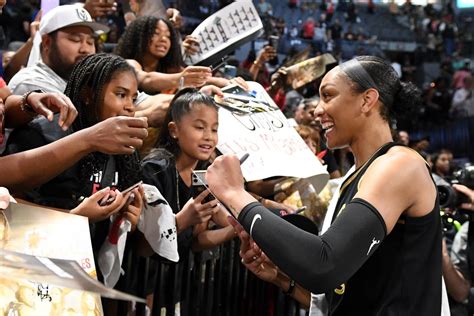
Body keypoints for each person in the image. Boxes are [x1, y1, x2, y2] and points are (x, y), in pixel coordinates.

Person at [206, 56, 443, 315]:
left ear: (367, 100)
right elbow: (345, 292)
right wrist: (283, 280)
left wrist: (234, 194)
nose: (318, 110)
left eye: (328, 96)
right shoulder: (355, 176)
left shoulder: (399, 165)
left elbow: (324, 265)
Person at [140, 88, 234, 312]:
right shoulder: (155, 169)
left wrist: (237, 230)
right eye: (200, 127)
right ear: (174, 130)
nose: (209, 136)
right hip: (144, 284)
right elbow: (143, 245)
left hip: (178, 285)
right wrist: (183, 219)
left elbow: (196, 240)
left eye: (214, 129)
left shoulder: (203, 175)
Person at [114, 16, 213, 94]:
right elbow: (146, 79)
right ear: (139, 37)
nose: (163, 39)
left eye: (168, 36)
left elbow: (202, 79)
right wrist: (181, 79)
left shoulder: (170, 69)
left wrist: (227, 83)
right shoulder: (129, 64)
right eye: (156, 33)